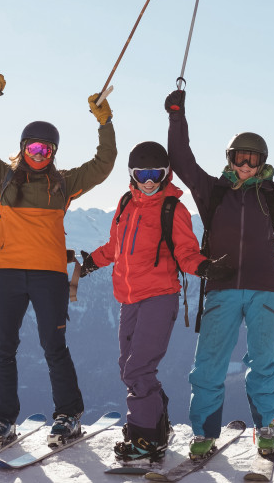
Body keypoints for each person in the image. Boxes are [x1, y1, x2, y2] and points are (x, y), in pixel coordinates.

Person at [163, 88, 274, 458]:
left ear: (262, 162)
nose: (246, 164)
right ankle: (204, 433)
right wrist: (177, 116)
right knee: (208, 364)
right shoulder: (212, 192)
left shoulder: (272, 194)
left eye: (253, 159)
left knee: (262, 362)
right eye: (240, 157)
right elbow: (181, 158)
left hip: (264, 290)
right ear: (230, 159)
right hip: (221, 288)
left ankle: (266, 427)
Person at [0, 72, 117, 449]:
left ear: (54, 154)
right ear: (22, 148)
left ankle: (68, 415)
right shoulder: (2, 178)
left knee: (54, 347)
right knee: (4, 348)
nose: (39, 156)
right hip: (9, 274)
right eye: (33, 149)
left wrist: (105, 122)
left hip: (49, 276)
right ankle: (2, 420)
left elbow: (104, 163)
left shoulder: (63, 185)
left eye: (46, 151)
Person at [78, 141, 235, 464]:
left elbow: (186, 251)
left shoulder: (172, 209)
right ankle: (156, 424)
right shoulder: (125, 204)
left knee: (139, 367)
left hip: (159, 297)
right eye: (142, 174)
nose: (149, 181)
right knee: (128, 367)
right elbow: (116, 245)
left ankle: (145, 436)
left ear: (166, 174)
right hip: (128, 298)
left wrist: (204, 267)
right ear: (132, 175)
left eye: (155, 174)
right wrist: (93, 261)